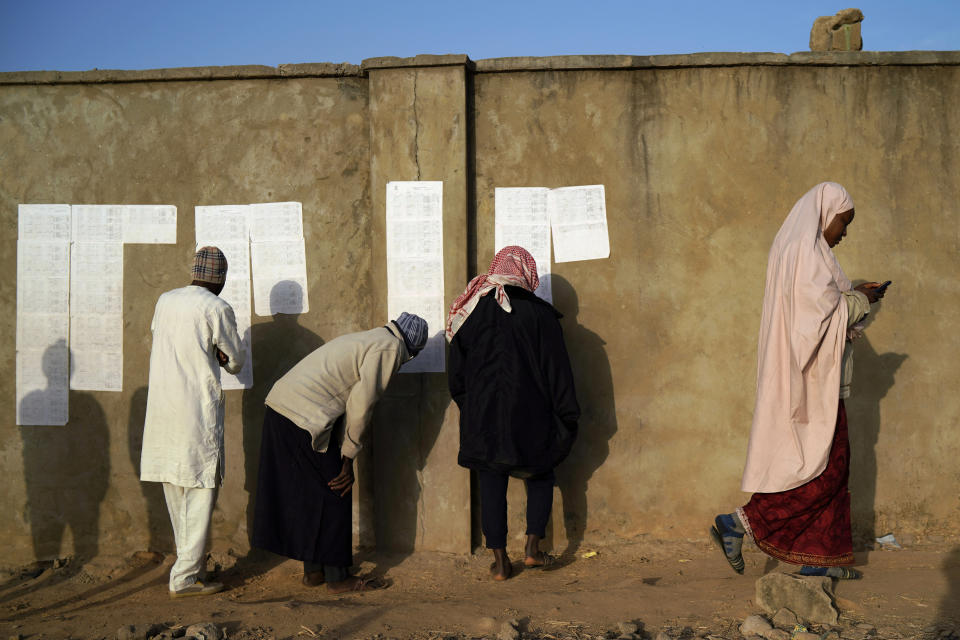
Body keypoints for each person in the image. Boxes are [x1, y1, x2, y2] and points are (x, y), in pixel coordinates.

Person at [711, 182, 887, 579]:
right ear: (825, 215)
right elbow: (816, 320)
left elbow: (824, 311)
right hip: (809, 383)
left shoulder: (806, 253)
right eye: (843, 222)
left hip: (813, 379)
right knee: (826, 470)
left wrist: (857, 298)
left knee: (830, 467)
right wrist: (859, 299)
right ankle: (739, 523)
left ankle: (818, 558)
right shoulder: (805, 255)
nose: (844, 232)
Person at [252, 312, 428, 593]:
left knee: (314, 490)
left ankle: (314, 571)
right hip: (300, 414)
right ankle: (337, 577)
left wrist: (345, 450)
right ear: (411, 350)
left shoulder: (373, 337)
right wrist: (347, 459)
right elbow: (361, 405)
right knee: (337, 487)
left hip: (283, 407)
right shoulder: (390, 347)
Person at [446, 246, 580, 581]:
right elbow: (557, 371)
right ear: (525, 273)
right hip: (531, 413)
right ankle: (533, 548)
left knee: (491, 479)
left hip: (484, 416)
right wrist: (566, 415)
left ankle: (501, 561)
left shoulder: (469, 312)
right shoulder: (542, 316)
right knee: (541, 472)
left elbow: (456, 375)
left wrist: (472, 406)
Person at [140, 246, 245, 598]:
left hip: (163, 413)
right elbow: (235, 361)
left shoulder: (165, 300)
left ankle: (190, 570)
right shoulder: (218, 308)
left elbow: (164, 338)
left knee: (177, 493)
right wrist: (220, 355)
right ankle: (185, 577)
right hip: (195, 415)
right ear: (221, 279)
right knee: (200, 494)